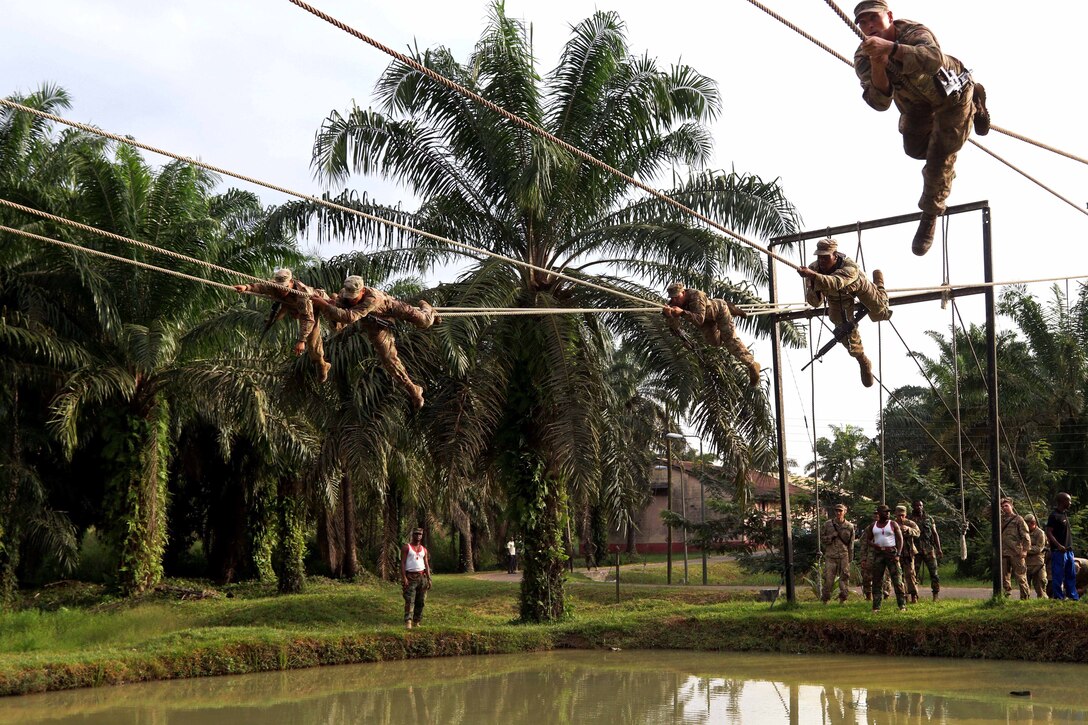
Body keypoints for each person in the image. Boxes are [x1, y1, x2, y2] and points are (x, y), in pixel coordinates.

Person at [852, 1, 990, 256]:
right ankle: (972, 115)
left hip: (953, 97)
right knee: (915, 149)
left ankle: (930, 212)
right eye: (862, 22)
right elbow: (879, 103)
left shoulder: (913, 32)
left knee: (940, 155)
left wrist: (892, 49)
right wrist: (879, 63)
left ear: (889, 17)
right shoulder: (863, 56)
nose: (868, 26)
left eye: (874, 18)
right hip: (917, 106)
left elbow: (934, 59)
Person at [312, 275, 436, 408]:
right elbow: (342, 317)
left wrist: (326, 305)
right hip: (374, 324)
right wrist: (330, 305)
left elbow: (350, 317)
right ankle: (413, 389)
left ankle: (428, 308)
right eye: (349, 297)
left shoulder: (373, 298)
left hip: (390, 308)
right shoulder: (344, 294)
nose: (351, 300)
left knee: (425, 321)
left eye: (354, 297)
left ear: (363, 291)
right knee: (388, 359)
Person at [798, 238, 890, 387]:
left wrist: (813, 276)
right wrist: (812, 282)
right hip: (836, 298)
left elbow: (836, 283)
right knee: (843, 331)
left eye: (825, 257)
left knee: (880, 311)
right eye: (819, 256)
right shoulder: (813, 269)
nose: (821, 260)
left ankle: (879, 283)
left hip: (858, 288)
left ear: (835, 255)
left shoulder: (850, 267)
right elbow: (814, 302)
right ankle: (862, 360)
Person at [234, 268, 331, 382]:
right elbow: (261, 287)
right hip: (291, 305)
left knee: (313, 341)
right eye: (279, 287)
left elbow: (307, 319)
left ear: (291, 282)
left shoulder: (302, 293)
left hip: (313, 306)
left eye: (284, 287)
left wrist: (301, 341)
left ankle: (322, 364)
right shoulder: (274, 285)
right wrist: (246, 287)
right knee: (273, 317)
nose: (281, 290)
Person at [663, 282, 761, 386]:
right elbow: (674, 329)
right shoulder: (673, 304)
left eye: (677, 297)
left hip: (719, 312)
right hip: (707, 321)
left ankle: (752, 365)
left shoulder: (696, 296)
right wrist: (669, 316)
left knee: (730, 340)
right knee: (715, 342)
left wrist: (682, 313)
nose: (674, 301)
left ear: (683, 293)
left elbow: (699, 319)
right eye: (672, 298)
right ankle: (730, 311)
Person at [864, 504, 907, 611]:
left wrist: (898, 554)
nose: (887, 513)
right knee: (877, 580)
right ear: (879, 513)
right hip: (878, 554)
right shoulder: (873, 526)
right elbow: (868, 540)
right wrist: (874, 545)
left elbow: (900, 539)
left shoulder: (893, 524)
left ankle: (902, 606)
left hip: (891, 553)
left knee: (897, 580)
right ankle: (876, 607)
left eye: (888, 512)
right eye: (885, 512)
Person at [1046, 492, 1079, 600]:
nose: (1070, 503)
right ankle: (1059, 598)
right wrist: (1058, 545)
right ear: (1062, 501)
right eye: (1068, 500)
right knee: (1058, 575)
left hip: (1069, 551)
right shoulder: (1054, 515)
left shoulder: (1064, 514)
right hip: (1059, 551)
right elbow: (1049, 532)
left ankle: (1073, 597)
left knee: (1071, 575)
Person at [821, 503, 855, 604]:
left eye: (841, 511)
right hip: (831, 555)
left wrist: (850, 558)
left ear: (845, 512)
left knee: (844, 577)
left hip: (844, 555)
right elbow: (822, 539)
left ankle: (843, 599)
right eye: (837, 511)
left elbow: (851, 543)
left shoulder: (849, 526)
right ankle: (825, 599)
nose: (838, 512)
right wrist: (830, 536)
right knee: (828, 579)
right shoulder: (828, 524)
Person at [910, 500, 942, 601]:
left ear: (923, 506)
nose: (918, 507)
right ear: (913, 507)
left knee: (934, 573)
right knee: (913, 574)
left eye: (920, 505)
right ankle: (914, 595)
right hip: (915, 549)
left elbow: (934, 533)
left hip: (929, 549)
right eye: (916, 505)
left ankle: (935, 595)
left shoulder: (929, 518)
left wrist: (939, 549)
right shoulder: (909, 519)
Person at [998, 498, 1030, 599]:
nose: (1004, 508)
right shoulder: (1000, 519)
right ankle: (1006, 596)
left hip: (1016, 552)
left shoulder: (1018, 519)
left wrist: (1025, 550)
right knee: (1004, 577)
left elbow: (1025, 535)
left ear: (1012, 506)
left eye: (1006, 506)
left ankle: (1025, 597)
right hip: (1003, 552)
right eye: (1002, 506)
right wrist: (997, 502)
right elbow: (986, 513)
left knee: (1021, 576)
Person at [401, 527, 431, 628]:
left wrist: (429, 578)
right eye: (416, 534)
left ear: (422, 536)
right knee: (409, 599)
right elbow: (403, 563)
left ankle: (417, 621)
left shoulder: (424, 549)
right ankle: (408, 621)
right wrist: (404, 577)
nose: (418, 536)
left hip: (422, 576)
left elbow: (426, 564)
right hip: (410, 576)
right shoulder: (407, 547)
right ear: (413, 535)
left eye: (420, 534)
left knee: (421, 600)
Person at [894, 505, 921, 603]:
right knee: (898, 575)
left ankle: (914, 595)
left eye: (902, 515)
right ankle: (903, 596)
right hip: (896, 552)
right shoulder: (892, 524)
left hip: (909, 553)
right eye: (898, 515)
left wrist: (908, 530)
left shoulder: (910, 523)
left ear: (905, 514)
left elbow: (918, 533)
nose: (901, 517)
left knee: (910, 574)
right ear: (895, 514)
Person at [1024, 513, 1049, 599]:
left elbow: (1038, 548)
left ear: (1033, 523)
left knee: (1040, 587)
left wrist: (1025, 549)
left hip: (1038, 564)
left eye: (1028, 523)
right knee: (1024, 588)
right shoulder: (1023, 532)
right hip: (1025, 563)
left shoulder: (1040, 533)